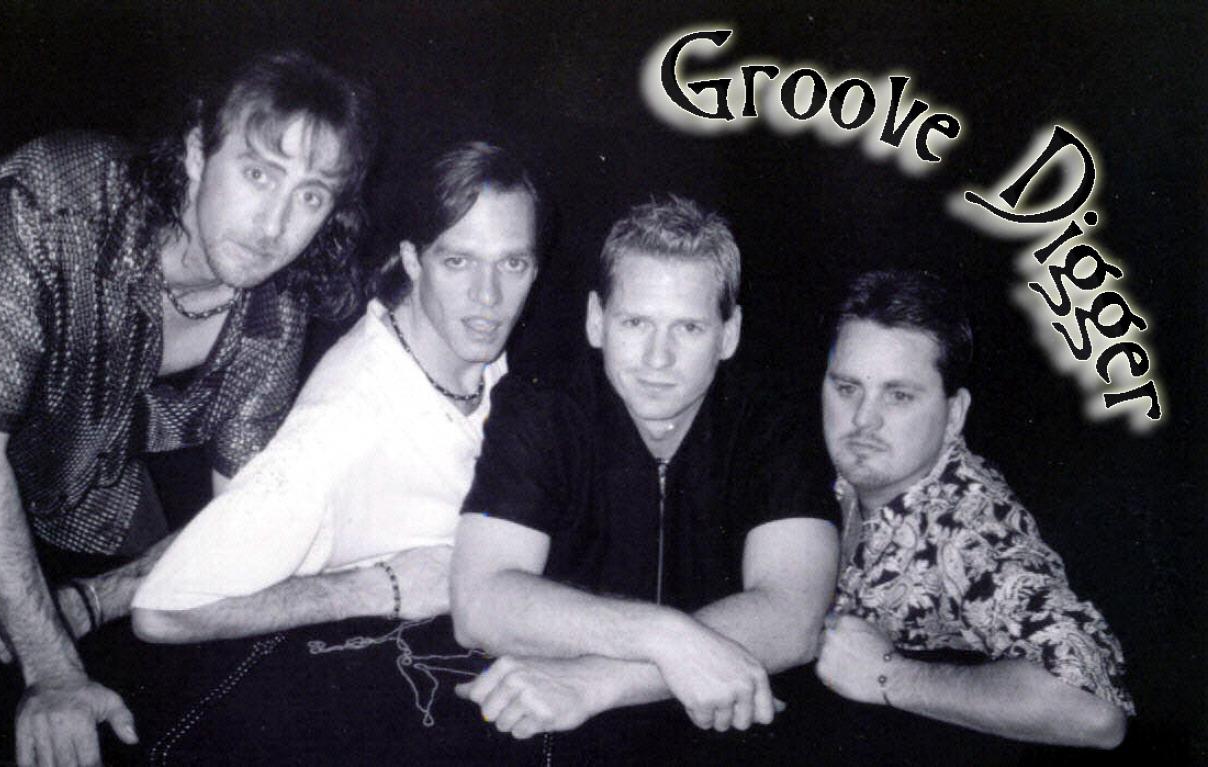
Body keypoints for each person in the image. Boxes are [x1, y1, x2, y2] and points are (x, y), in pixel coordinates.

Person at [0, 49, 374, 766]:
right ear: (198, 151)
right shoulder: (61, 194)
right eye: (259, 174)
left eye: (312, 196)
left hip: (77, 489)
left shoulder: (276, 312)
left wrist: (89, 602)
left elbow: (237, 522)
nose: (275, 226)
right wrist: (53, 670)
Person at [127, 141, 545, 764]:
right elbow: (165, 610)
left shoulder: (475, 352)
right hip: (349, 690)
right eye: (458, 261)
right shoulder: (345, 421)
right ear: (413, 260)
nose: (488, 297)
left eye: (512, 263)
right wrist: (381, 588)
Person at [450, 195, 839, 761]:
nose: (658, 358)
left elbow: (795, 617)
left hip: (718, 715)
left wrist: (598, 683)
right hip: (564, 730)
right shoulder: (539, 404)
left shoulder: (772, 415)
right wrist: (664, 637)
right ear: (596, 321)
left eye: (689, 328)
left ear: (728, 333)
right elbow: (478, 602)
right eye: (635, 323)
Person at [814, 269, 1133, 749]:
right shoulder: (819, 469)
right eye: (846, 388)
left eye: (899, 396)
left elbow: (1096, 712)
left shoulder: (972, 529)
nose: (863, 418)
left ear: (954, 415)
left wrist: (891, 676)